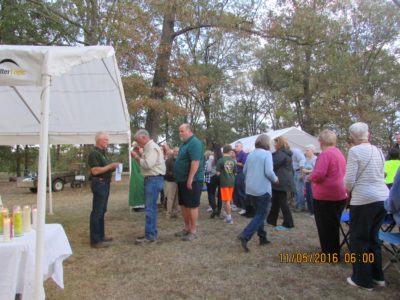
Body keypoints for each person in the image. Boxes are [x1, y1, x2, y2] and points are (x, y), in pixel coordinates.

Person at [344, 122, 388, 290]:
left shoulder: (354, 151)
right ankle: (378, 276)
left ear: (352, 137)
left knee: (359, 240)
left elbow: (348, 182)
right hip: (382, 198)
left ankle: (362, 280)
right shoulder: (378, 150)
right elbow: (382, 173)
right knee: (373, 239)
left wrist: (347, 186)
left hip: (364, 200)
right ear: (368, 134)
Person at [308, 129, 347, 258]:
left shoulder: (325, 155)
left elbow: (319, 174)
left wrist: (310, 177)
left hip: (326, 196)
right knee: (333, 225)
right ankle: (333, 251)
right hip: (339, 194)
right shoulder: (338, 153)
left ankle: (329, 254)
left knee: (325, 226)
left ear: (321, 141)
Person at [238, 134, 278, 252]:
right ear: (266, 143)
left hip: (250, 189)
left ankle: (263, 238)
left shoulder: (250, 155)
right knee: (261, 214)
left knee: (259, 214)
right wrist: (276, 179)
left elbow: (244, 171)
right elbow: (269, 172)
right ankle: (245, 235)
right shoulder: (267, 154)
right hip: (262, 189)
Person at [131, 129, 166, 244]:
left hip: (153, 179)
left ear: (144, 138)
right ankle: (150, 233)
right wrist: (141, 154)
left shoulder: (151, 147)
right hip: (153, 179)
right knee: (151, 208)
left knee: (150, 209)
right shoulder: (149, 147)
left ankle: (150, 236)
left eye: (139, 141)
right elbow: (148, 161)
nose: (138, 143)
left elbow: (147, 164)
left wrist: (136, 156)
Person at [88, 131, 120, 249]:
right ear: (99, 140)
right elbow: (95, 171)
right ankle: (95, 240)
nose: (107, 141)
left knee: (102, 210)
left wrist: (114, 167)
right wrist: (110, 166)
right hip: (99, 183)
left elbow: (105, 169)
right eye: (105, 139)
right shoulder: (94, 153)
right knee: (97, 211)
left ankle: (101, 236)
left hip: (105, 183)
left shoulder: (103, 153)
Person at [173, 123, 204, 241]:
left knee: (192, 205)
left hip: (193, 181)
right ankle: (186, 228)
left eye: (182, 131)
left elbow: (195, 162)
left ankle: (193, 230)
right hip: (182, 180)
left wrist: (190, 178)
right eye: (179, 131)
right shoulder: (184, 144)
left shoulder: (195, 143)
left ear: (189, 131)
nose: (180, 133)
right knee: (184, 205)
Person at [267, 136, 295, 230]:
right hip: (281, 181)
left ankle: (288, 223)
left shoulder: (281, 154)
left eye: (275, 143)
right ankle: (271, 220)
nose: (274, 145)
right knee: (275, 201)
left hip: (281, 181)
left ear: (279, 143)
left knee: (283, 203)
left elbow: (273, 165)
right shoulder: (283, 153)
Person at [216, 145, 236, 224]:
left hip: (224, 182)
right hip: (232, 181)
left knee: (226, 200)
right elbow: (235, 172)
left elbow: (217, 173)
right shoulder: (233, 160)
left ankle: (229, 218)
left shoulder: (220, 160)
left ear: (223, 151)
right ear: (229, 151)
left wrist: (219, 173)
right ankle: (226, 214)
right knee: (228, 199)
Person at [128, 142, 145, 212]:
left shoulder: (140, 157)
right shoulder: (135, 158)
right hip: (137, 175)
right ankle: (137, 206)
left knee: (139, 190)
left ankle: (139, 205)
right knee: (137, 190)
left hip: (140, 175)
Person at [164, 146, 180, 219]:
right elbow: (166, 172)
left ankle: (176, 213)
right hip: (171, 181)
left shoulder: (180, 160)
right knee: (170, 198)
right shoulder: (168, 161)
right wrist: (175, 174)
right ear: (173, 152)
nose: (176, 153)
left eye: (178, 151)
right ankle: (168, 214)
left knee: (177, 198)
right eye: (175, 151)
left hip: (178, 181)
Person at [233, 142, 248, 215]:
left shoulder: (244, 154)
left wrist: (236, 163)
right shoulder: (235, 154)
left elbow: (245, 165)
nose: (235, 147)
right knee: (235, 190)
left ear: (241, 147)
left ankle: (244, 208)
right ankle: (238, 205)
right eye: (235, 146)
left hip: (241, 174)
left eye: (237, 146)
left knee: (241, 190)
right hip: (236, 174)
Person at [303, 144, 317, 216]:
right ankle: (310, 211)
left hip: (312, 181)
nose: (306, 152)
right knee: (308, 196)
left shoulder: (315, 159)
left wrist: (307, 171)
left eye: (307, 150)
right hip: (307, 180)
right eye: (306, 150)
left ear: (312, 151)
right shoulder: (306, 159)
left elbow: (316, 169)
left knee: (312, 196)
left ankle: (314, 212)